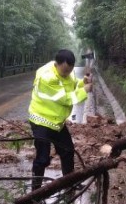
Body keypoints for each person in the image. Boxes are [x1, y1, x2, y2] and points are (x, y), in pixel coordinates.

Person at [28, 49, 93, 194]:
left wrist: (82, 83)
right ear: (56, 64)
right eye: (64, 71)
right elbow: (66, 99)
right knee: (43, 158)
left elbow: (71, 84)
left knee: (67, 151)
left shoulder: (67, 72)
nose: (67, 74)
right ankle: (35, 194)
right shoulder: (47, 77)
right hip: (41, 120)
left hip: (56, 122)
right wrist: (85, 91)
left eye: (69, 71)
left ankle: (69, 183)